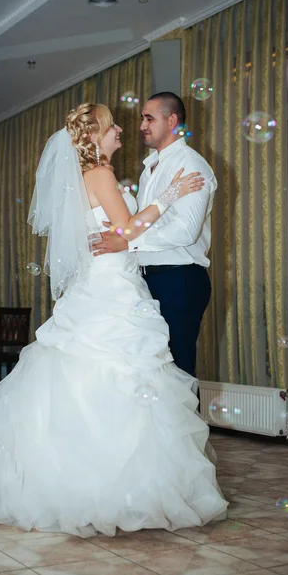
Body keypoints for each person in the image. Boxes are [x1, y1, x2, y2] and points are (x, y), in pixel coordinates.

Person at [0, 103, 227, 538]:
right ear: (94, 136)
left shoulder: (83, 178)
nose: (121, 130)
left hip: (105, 284)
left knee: (91, 374)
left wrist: (132, 226)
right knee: (120, 375)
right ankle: (121, 487)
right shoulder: (100, 175)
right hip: (111, 288)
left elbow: (118, 235)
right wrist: (167, 197)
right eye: (112, 125)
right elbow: (126, 230)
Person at [94, 92, 217, 377]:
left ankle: (188, 423)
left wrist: (127, 241)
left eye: (149, 118)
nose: (141, 126)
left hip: (179, 278)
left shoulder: (191, 165)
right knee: (153, 372)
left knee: (178, 370)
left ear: (172, 120)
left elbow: (186, 231)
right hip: (146, 279)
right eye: (141, 118)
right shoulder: (149, 168)